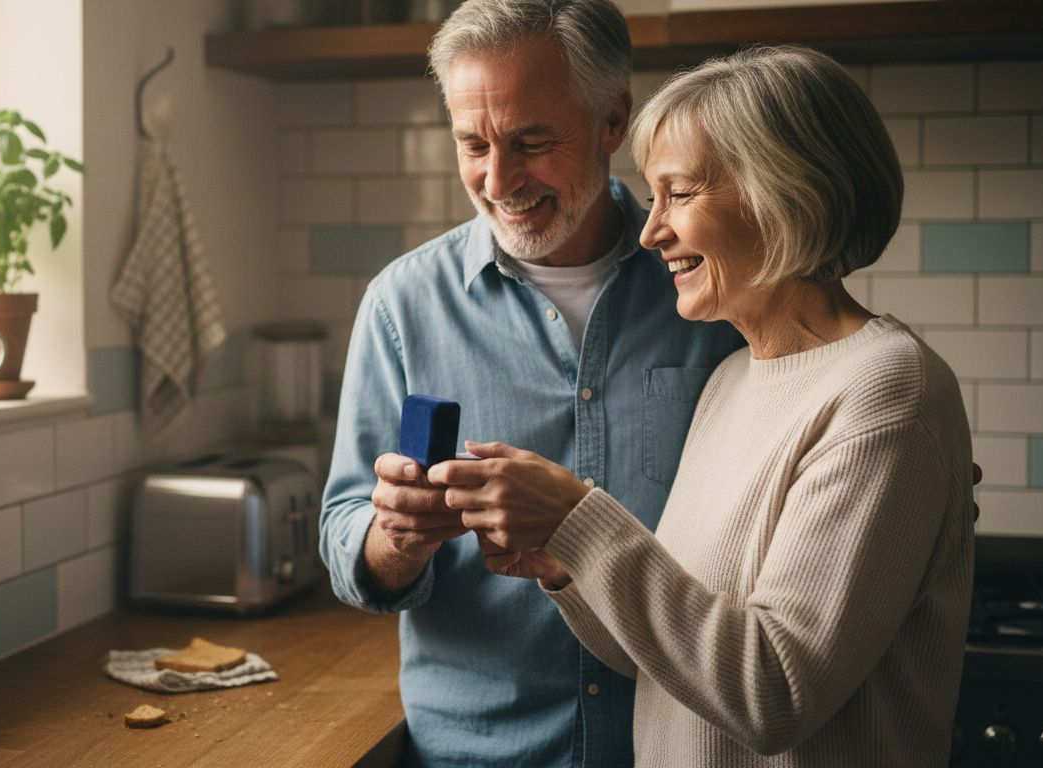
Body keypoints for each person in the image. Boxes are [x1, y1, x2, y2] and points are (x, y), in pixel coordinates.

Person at [426, 45, 975, 766]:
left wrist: (577, 520)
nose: (651, 231)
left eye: (678, 195)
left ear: (786, 193)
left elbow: (770, 694)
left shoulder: (885, 396)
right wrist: (563, 564)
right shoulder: (731, 381)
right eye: (652, 198)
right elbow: (673, 664)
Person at [319, 0, 746, 764]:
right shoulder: (401, 305)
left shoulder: (716, 289)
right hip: (477, 754)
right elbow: (346, 534)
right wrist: (394, 536)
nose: (498, 178)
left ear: (612, 120)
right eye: (472, 144)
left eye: (531, 142)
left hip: (680, 744)